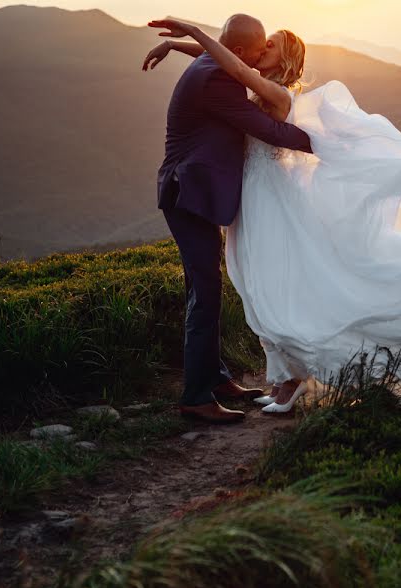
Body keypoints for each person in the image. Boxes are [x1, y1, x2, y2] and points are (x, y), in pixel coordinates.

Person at [144, 18, 401, 424]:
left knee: (246, 285)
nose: (261, 53)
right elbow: (228, 59)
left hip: (266, 199)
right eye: (259, 46)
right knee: (226, 286)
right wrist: (183, 46)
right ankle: (229, 382)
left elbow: (239, 69)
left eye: (269, 47)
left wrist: (188, 32)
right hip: (226, 196)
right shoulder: (223, 70)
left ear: (280, 58)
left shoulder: (266, 88)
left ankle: (214, 387)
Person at [148, 14, 313, 424]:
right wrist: (317, 141)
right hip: (188, 194)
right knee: (204, 293)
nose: (260, 55)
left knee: (205, 287)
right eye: (260, 47)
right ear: (240, 52)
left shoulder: (211, 63)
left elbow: (220, 53)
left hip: (192, 192)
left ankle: (217, 378)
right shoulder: (219, 79)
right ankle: (196, 397)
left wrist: (177, 43)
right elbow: (267, 130)